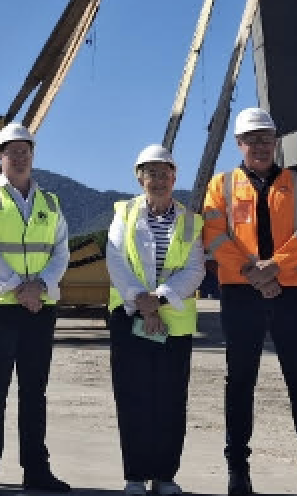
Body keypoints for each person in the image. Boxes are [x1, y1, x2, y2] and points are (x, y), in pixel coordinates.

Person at [201, 106, 297, 496]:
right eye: (252, 139)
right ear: (239, 144)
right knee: (239, 382)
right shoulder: (220, 186)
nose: (259, 145)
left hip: (289, 292)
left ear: (275, 142)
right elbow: (213, 235)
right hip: (242, 293)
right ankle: (237, 472)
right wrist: (252, 274)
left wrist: (273, 267)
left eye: (265, 138)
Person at [0, 123, 71, 496]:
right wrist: (17, 287)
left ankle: (36, 470)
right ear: (0, 156)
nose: (19, 156)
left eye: (25, 150)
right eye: (12, 151)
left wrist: (39, 287)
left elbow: (61, 252)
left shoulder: (51, 203)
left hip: (39, 307)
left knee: (34, 391)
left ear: (32, 154)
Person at [106, 144, 205, 496]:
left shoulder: (191, 221)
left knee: (171, 400)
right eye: (151, 173)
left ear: (174, 177)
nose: (158, 180)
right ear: (139, 177)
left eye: (164, 173)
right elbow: (116, 260)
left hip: (172, 321)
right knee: (133, 397)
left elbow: (195, 268)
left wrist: (159, 299)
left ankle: (164, 475)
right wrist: (141, 301)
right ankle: (135, 474)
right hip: (130, 317)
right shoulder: (125, 213)